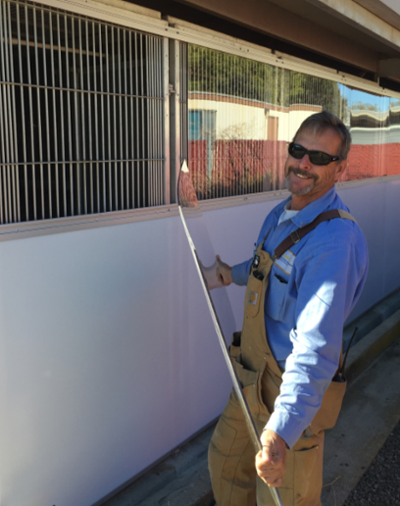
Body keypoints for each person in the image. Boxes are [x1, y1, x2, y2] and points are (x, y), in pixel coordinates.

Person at [208, 111, 369, 506]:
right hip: (250, 378)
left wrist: (282, 432)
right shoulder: (283, 213)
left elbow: (315, 350)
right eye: (298, 150)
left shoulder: (333, 241)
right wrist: (230, 274)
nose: (303, 164)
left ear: (341, 169)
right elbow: (269, 267)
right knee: (226, 465)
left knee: (283, 499)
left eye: (319, 158)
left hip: (289, 392)